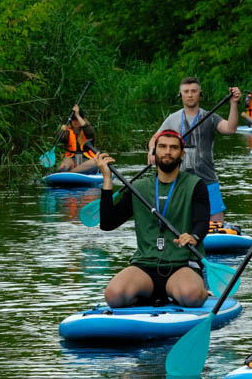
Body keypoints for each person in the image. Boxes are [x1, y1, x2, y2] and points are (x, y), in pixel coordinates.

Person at [97, 130, 208, 308]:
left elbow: (202, 222)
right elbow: (108, 224)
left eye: (173, 148)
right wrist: (107, 180)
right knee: (114, 296)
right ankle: (151, 296)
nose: (167, 152)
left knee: (191, 296)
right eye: (162, 147)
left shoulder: (195, 185)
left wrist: (193, 237)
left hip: (181, 265)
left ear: (182, 153)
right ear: (153, 152)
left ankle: (193, 289)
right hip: (145, 265)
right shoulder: (138, 187)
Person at [148, 77, 241, 230]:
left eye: (194, 91)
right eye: (186, 92)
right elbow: (154, 138)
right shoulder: (173, 119)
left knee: (216, 223)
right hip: (180, 181)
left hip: (208, 179)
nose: (190, 95)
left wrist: (233, 104)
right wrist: (152, 151)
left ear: (200, 94)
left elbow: (230, 129)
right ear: (181, 95)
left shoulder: (210, 117)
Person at [57, 104, 98, 173]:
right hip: (72, 160)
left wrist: (77, 115)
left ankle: (70, 173)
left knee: (95, 161)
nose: (75, 121)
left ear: (82, 119)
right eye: (73, 120)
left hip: (86, 160)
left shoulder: (88, 130)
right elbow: (62, 139)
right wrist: (61, 132)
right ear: (70, 121)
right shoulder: (67, 131)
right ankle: (64, 170)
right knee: (66, 161)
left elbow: (89, 131)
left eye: (77, 119)